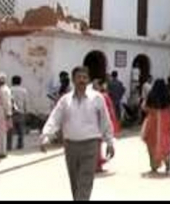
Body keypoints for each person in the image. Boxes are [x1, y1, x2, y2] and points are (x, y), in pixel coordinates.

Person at [40, 66, 115, 201]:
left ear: (88, 80)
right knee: (75, 182)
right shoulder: (65, 100)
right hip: (70, 146)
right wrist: (46, 135)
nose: (82, 80)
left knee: (85, 182)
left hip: (90, 145)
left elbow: (105, 120)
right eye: (79, 77)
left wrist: (110, 142)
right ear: (73, 80)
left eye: (84, 77)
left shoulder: (97, 98)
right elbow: (55, 117)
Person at [141, 78, 170, 174]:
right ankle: (168, 165)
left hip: (153, 120)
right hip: (165, 120)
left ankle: (153, 165)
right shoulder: (168, 94)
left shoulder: (151, 94)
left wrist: (152, 111)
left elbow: (144, 107)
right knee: (165, 142)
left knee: (151, 142)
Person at [93, 78, 120, 172]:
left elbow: (108, 111)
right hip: (98, 123)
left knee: (97, 144)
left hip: (99, 123)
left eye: (96, 84)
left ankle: (97, 164)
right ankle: (97, 164)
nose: (94, 86)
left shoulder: (100, 96)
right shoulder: (100, 96)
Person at [8, 75, 28, 151]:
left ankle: (8, 145)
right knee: (21, 130)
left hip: (11, 112)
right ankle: (20, 145)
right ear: (20, 82)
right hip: (21, 112)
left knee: (9, 130)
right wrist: (26, 111)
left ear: (12, 81)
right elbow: (25, 102)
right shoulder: (24, 91)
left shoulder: (9, 90)